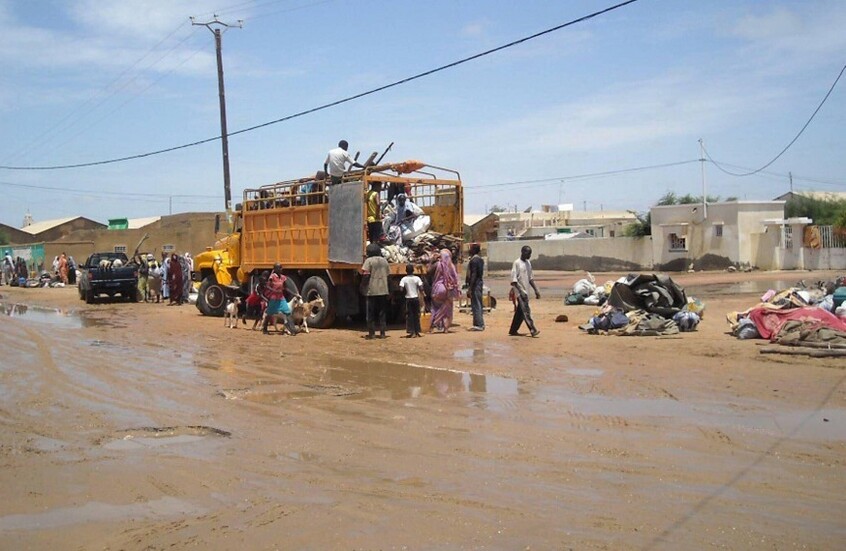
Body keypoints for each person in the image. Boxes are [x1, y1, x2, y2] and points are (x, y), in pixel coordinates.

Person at [509, 245, 541, 337]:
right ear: (523, 252)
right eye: (528, 253)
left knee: (520, 312)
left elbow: (530, 278)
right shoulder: (517, 263)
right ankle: (533, 329)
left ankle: (513, 330)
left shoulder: (528, 263)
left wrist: (536, 290)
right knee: (526, 311)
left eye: (530, 253)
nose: (529, 255)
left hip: (526, 292)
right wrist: (520, 291)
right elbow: (514, 281)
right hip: (520, 292)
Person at [360, 243, 389, 339]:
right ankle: (383, 333)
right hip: (383, 290)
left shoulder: (369, 261)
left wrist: (362, 286)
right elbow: (388, 275)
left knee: (370, 313)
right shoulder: (385, 261)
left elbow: (366, 275)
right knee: (382, 313)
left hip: (371, 291)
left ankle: (372, 334)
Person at [428, 248, 460, 333]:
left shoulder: (438, 265)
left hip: (438, 289)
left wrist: (431, 262)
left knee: (435, 308)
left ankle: (432, 326)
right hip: (448, 290)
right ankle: (446, 328)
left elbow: (429, 272)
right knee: (447, 309)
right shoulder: (452, 266)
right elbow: (455, 278)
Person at [262, 263, 297, 335]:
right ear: (275, 269)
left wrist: (294, 294)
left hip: (281, 298)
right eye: (279, 268)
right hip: (273, 298)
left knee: (288, 312)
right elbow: (267, 286)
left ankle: (293, 330)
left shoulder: (283, 277)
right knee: (269, 314)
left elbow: (286, 288)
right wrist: (273, 290)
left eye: (281, 267)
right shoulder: (272, 277)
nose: (281, 269)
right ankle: (264, 328)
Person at [399, 264, 425, 338]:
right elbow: (421, 288)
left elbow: (401, 289)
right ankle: (417, 331)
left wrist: (404, 291)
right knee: (416, 315)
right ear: (413, 270)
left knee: (410, 315)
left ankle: (412, 331)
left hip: (408, 298)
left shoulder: (404, 279)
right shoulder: (417, 278)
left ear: (406, 271)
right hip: (416, 298)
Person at [466, 243, 485, 331]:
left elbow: (474, 274)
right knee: (478, 303)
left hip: (475, 284)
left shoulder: (474, 260)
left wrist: (470, 287)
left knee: (476, 303)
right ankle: (478, 323)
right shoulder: (480, 259)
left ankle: (479, 324)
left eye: (470, 249)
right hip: (479, 283)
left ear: (473, 250)